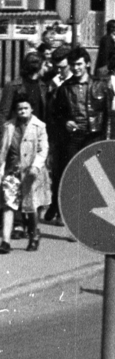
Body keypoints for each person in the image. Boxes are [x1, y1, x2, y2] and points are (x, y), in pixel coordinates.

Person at [45, 50, 99, 223]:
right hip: (72, 138)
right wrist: (65, 122)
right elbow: (55, 114)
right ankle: (68, 215)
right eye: (73, 65)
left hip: (94, 136)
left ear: (87, 64)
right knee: (71, 176)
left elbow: (107, 113)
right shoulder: (65, 88)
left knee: (93, 177)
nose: (76, 68)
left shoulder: (100, 86)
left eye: (79, 64)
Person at [0, 94, 50, 253]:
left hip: (31, 172)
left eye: (25, 108)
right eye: (19, 109)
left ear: (31, 109)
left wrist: (36, 166)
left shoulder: (39, 126)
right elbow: (3, 150)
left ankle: (34, 235)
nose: (22, 111)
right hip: (12, 170)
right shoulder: (9, 126)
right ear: (15, 110)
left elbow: (44, 150)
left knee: (31, 206)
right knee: (8, 205)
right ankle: (5, 241)